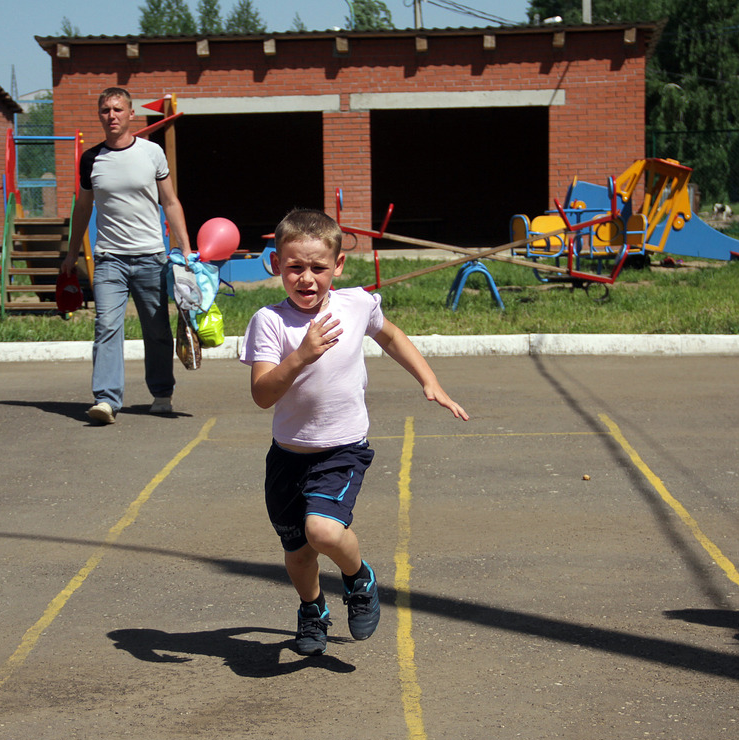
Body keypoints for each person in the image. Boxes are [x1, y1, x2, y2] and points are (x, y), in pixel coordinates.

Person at [240, 209, 470, 656]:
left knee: (323, 532)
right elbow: (262, 395)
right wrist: (301, 355)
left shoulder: (357, 303)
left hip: (341, 450)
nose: (306, 279)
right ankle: (313, 609)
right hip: (288, 455)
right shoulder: (269, 321)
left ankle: (359, 578)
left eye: (318, 268)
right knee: (298, 550)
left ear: (338, 266)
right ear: (276, 265)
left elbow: (391, 337)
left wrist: (429, 380)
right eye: (294, 268)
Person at [61, 87, 193, 425]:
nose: (112, 116)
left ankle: (162, 393)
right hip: (109, 260)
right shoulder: (91, 159)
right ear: (100, 115)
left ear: (130, 114)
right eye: (105, 110)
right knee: (106, 325)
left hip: (151, 257)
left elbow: (170, 202)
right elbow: (83, 207)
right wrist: (71, 253)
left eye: (118, 109)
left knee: (157, 329)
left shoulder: (152, 153)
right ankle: (106, 400)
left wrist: (186, 249)